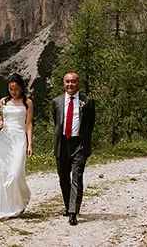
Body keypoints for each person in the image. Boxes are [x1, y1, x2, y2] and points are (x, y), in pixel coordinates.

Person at [52, 71, 95, 225]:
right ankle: (67, 205)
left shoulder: (87, 102)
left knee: (77, 177)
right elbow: (56, 122)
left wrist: (85, 143)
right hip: (62, 144)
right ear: (63, 83)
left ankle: (73, 212)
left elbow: (90, 124)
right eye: (67, 81)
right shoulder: (56, 101)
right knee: (63, 177)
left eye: (73, 81)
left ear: (78, 83)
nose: (70, 84)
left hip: (79, 144)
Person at [0, 73, 33, 220]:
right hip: (5, 138)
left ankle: (21, 200)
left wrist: (30, 144)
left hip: (19, 138)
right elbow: (1, 121)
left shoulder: (27, 103)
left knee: (16, 173)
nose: (13, 92)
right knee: (4, 173)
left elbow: (28, 124)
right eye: (10, 89)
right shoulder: (3, 102)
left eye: (16, 89)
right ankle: (6, 209)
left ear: (21, 88)